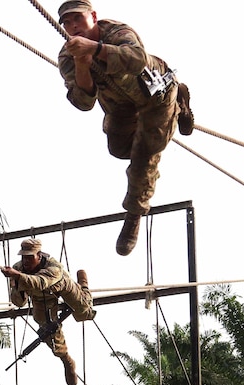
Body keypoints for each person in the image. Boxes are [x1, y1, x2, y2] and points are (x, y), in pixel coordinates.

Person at [56, 0, 194, 256]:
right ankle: (179, 108)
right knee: (120, 149)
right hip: (121, 106)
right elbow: (83, 103)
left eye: (78, 19)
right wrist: (82, 64)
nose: (73, 26)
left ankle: (134, 213)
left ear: (93, 17)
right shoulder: (67, 56)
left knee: (145, 154)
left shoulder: (117, 32)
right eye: (67, 22)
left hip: (157, 97)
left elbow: (138, 60)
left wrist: (96, 49)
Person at [2, 238, 94, 385]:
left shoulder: (54, 267)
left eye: (30, 257)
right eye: (23, 257)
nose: (25, 261)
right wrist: (16, 283)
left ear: (39, 255)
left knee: (84, 311)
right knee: (47, 330)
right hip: (40, 297)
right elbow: (18, 302)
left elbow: (40, 283)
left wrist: (18, 276)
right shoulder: (17, 269)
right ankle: (66, 360)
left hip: (61, 287)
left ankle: (83, 283)